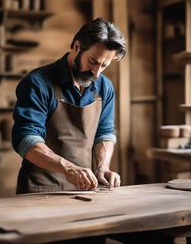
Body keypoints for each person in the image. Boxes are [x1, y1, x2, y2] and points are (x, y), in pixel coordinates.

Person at [12, 18, 126, 194]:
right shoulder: (38, 83)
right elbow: (26, 139)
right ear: (77, 46)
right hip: (40, 189)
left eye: (104, 65)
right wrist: (69, 168)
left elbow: (104, 132)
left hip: (84, 189)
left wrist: (102, 168)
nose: (96, 72)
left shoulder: (104, 87)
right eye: (93, 61)